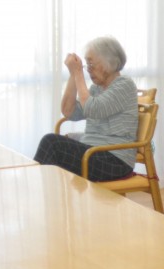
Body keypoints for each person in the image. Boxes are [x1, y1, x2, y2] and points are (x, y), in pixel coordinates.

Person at [34, 36, 138, 182]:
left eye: (91, 63)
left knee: (51, 143)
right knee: (52, 146)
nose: (88, 69)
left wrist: (78, 73)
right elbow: (69, 111)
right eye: (86, 64)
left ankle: (37, 189)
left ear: (110, 62)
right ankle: (45, 191)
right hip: (93, 152)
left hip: (115, 160)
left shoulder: (124, 85)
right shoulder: (96, 89)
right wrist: (73, 75)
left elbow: (93, 109)